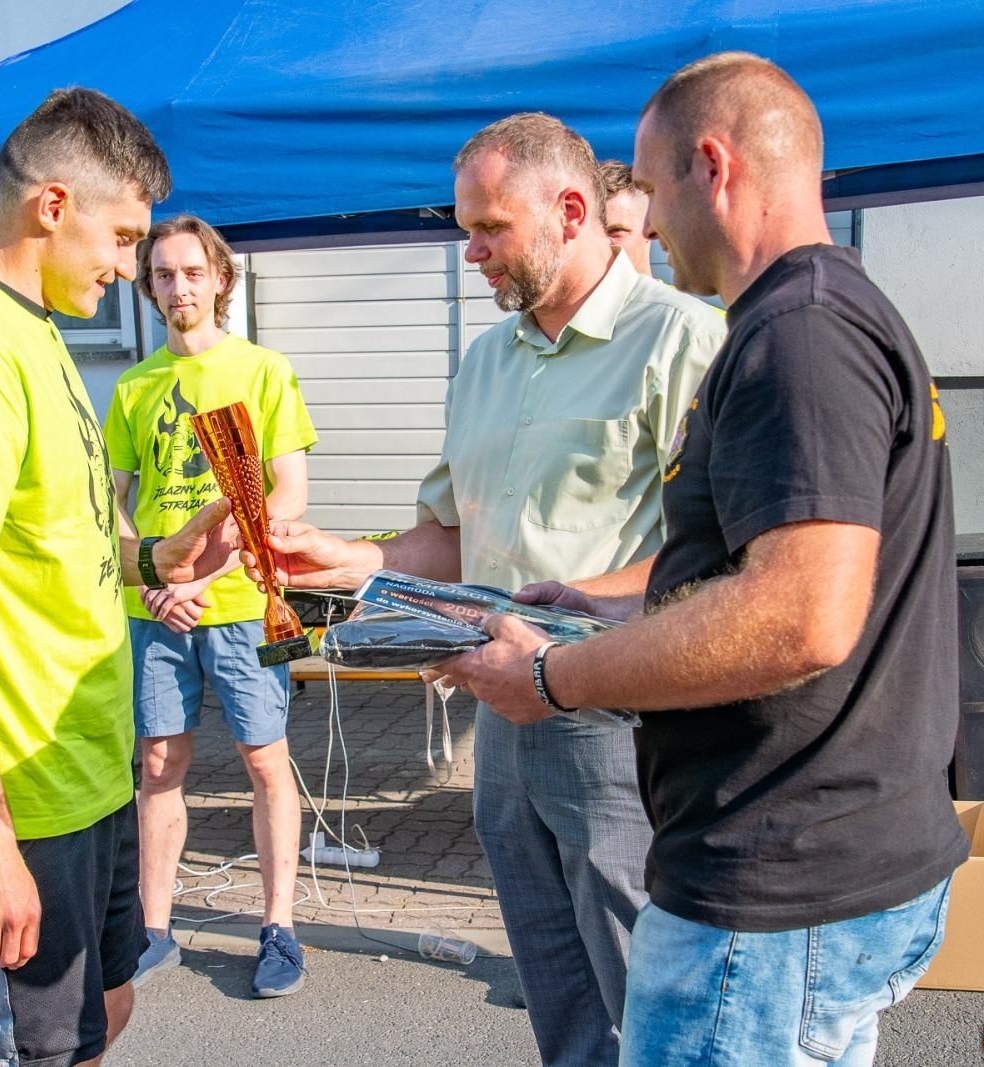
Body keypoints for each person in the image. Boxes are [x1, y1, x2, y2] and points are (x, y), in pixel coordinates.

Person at [446, 53, 967, 1066]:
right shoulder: (826, 313)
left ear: (714, 169)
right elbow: (767, 573)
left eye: (647, 188)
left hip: (773, 882)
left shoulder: (797, 335)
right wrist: (598, 609)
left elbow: (800, 614)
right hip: (820, 866)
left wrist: (552, 675)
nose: (639, 222)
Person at [249, 113, 725, 1063]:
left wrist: (563, 618)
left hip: (624, 720)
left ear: (572, 211)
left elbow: (712, 556)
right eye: (464, 229)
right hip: (500, 716)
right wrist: (348, 559)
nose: (470, 253)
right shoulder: (484, 361)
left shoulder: (684, 340)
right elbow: (450, 534)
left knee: (655, 1007)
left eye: (490, 228)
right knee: (560, 997)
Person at [0, 89, 238, 1067]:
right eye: (123, 239)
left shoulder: (31, 329)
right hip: (15, 795)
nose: (128, 269)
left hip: (84, 774)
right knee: (24, 1052)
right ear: (53, 205)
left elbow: (55, 541)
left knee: (100, 1013)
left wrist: (157, 558)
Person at [104, 215, 317, 998]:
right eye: (163, 274)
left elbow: (288, 493)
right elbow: (109, 504)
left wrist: (200, 578)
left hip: (243, 606)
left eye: (192, 272)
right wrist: (153, 580)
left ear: (221, 278)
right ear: (148, 286)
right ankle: (154, 926)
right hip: (156, 612)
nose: (178, 287)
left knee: (265, 760)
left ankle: (279, 926)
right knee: (159, 764)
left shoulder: (262, 370)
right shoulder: (133, 387)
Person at [600, 159, 653, 276]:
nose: (602, 242)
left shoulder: (680, 288)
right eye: (595, 234)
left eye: (615, 231)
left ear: (650, 228)